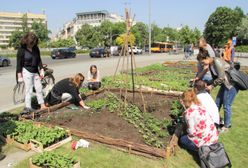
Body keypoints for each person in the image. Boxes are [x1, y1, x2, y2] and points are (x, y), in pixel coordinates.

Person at [198, 52, 239, 132]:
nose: (202, 64)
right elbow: (215, 78)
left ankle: (227, 126)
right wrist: (207, 83)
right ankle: (215, 120)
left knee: (226, 105)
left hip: (231, 85)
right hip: (225, 84)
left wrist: (212, 86)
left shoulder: (217, 61)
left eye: (203, 62)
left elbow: (221, 78)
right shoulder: (211, 64)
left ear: (207, 58)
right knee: (217, 103)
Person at [16, 32, 46, 113]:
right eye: (30, 44)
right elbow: (19, 64)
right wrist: (19, 76)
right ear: (26, 41)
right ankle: (28, 108)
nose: (32, 45)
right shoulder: (21, 49)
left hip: (35, 71)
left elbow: (39, 59)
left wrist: (42, 69)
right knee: (28, 90)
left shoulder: (36, 48)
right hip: (26, 71)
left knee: (39, 88)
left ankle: (42, 105)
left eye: (33, 43)